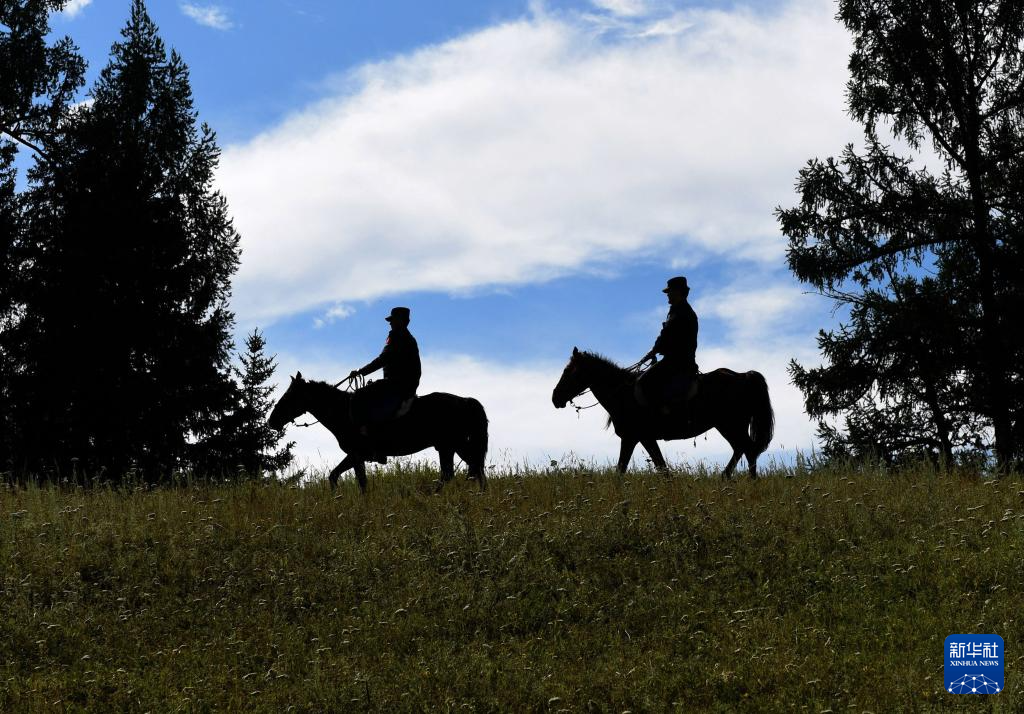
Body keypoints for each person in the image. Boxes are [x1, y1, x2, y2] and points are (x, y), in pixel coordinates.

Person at [347, 307, 422, 457]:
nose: (390, 323)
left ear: (402, 321)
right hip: (404, 383)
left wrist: (361, 372)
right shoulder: (405, 337)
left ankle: (372, 442)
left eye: (393, 320)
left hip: (397, 383)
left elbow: (383, 359)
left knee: (360, 396)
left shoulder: (397, 337)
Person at [638, 276, 698, 411]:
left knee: (645, 382)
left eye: (669, 292)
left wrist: (654, 350)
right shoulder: (678, 311)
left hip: (677, 362)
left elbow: (667, 335)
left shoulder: (681, 312)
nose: (667, 295)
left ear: (677, 292)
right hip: (676, 360)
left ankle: (660, 417)